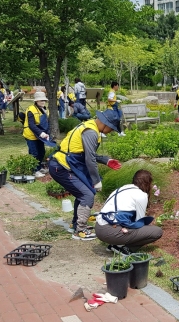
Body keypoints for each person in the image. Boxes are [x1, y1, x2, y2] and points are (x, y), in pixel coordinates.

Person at [49, 110, 122, 240]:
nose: (111, 132)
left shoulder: (89, 126)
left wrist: (106, 160)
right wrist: (96, 181)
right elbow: (89, 159)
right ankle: (80, 231)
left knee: (84, 193)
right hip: (61, 168)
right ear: (106, 124)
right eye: (112, 129)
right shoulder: (91, 132)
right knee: (86, 195)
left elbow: (85, 153)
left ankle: (75, 224)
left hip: (65, 165)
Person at [96, 169, 162, 255]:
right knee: (157, 231)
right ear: (147, 184)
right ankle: (122, 248)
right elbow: (139, 222)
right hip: (111, 232)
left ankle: (115, 243)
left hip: (98, 228)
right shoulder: (141, 195)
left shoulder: (122, 188)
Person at [23, 92, 52, 178]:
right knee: (34, 153)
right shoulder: (31, 110)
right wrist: (40, 133)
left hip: (41, 136)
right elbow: (31, 125)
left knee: (41, 152)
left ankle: (39, 168)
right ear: (36, 101)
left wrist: (47, 133)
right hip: (31, 135)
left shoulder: (45, 110)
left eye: (44, 100)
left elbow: (47, 123)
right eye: (41, 100)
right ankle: (34, 170)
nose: (43, 102)